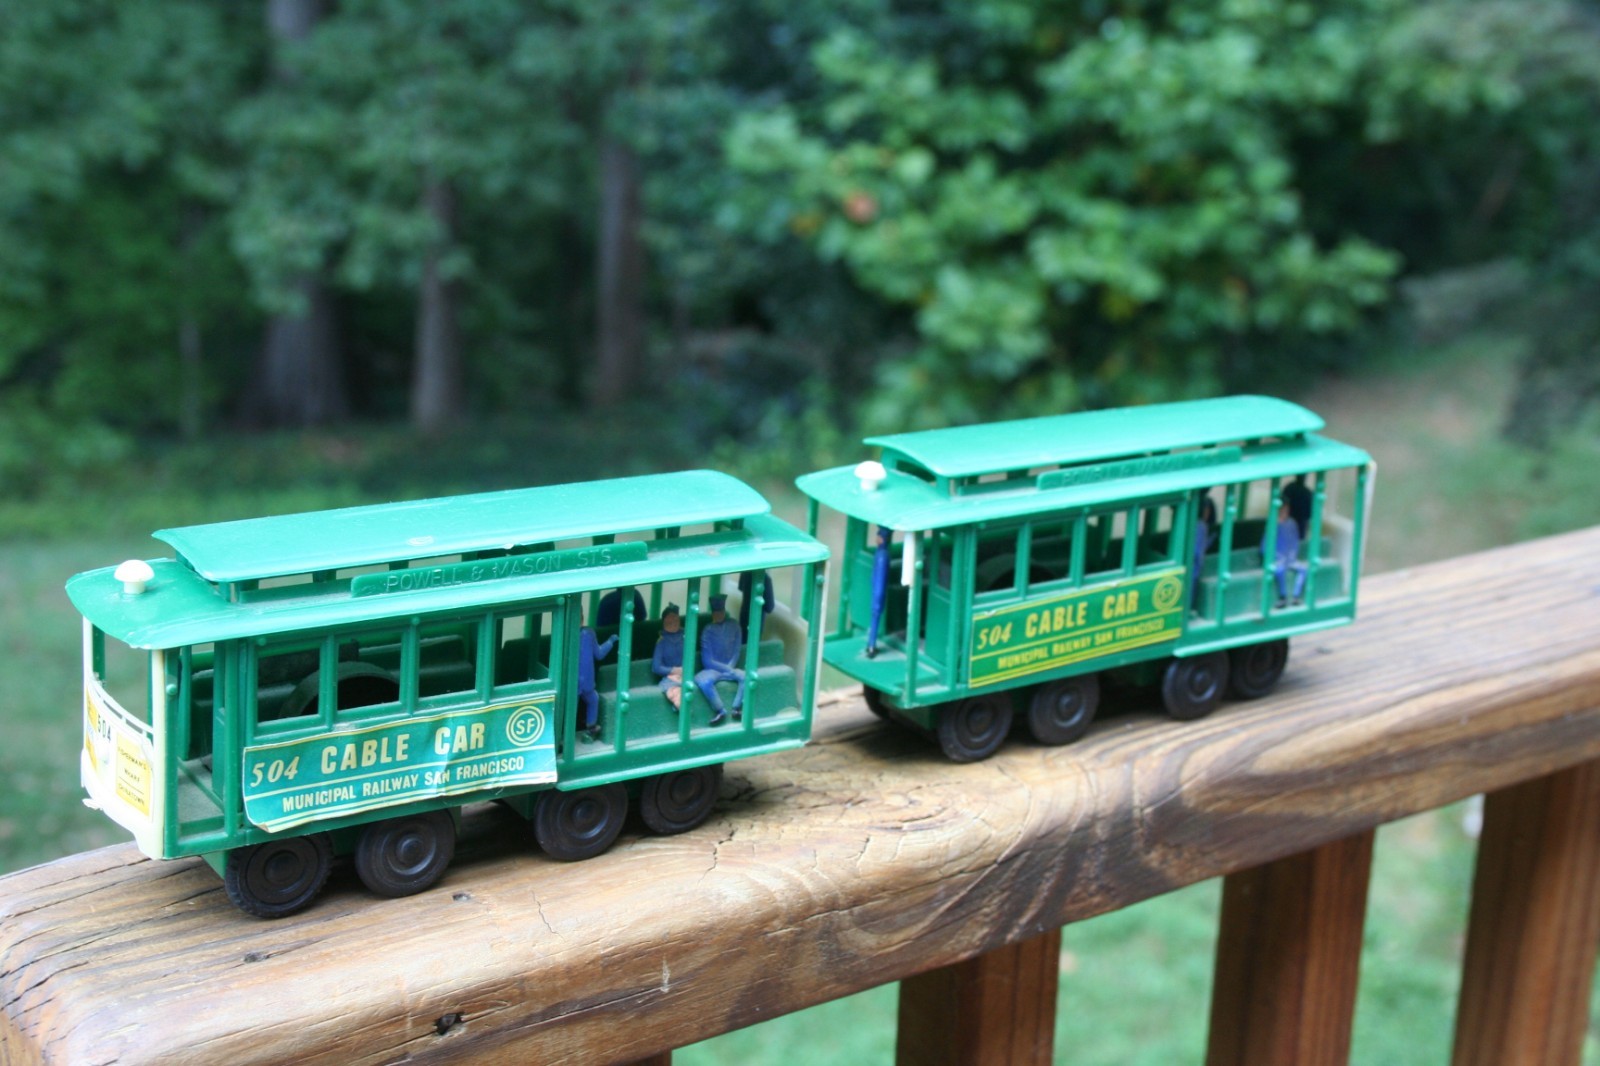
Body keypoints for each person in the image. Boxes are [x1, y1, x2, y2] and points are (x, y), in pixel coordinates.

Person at [695, 594, 745, 726]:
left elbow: (736, 650)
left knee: (746, 677)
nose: (718, 615)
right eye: (716, 613)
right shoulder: (707, 631)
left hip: (730, 667)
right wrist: (727, 669)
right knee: (704, 681)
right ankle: (720, 710)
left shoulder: (734, 626)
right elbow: (707, 661)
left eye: (721, 612)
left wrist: (731, 666)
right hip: (713, 669)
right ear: (712, 613)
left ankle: (736, 708)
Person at [576, 617, 617, 740]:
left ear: (582, 619)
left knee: (593, 699)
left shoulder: (589, 633)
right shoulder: (566, 635)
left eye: (579, 617)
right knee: (570, 707)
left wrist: (610, 642)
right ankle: (561, 736)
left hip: (588, 682)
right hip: (573, 682)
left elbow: (598, 653)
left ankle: (591, 727)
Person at [1263, 499, 1308, 608]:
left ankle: (1295, 597)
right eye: (1282, 510)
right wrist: (1275, 557)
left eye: (1286, 510)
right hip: (1276, 561)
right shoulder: (1273, 524)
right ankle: (1282, 597)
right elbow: (1264, 547)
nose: (1285, 513)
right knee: (1279, 570)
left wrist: (1292, 555)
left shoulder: (1291, 524)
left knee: (1304, 569)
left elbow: (1295, 542)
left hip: (1290, 560)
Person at [652, 604, 685, 710]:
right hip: (669, 678)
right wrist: (673, 670)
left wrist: (684, 670)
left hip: (685, 676)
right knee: (673, 690)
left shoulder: (684, 639)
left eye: (675, 621)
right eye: (669, 622)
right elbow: (656, 667)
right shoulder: (662, 643)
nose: (673, 624)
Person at [866, 526, 891, 657]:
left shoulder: (882, 556)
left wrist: (878, 598)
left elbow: (880, 579)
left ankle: (871, 645)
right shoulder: (881, 554)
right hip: (876, 591)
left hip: (877, 594)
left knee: (875, 617)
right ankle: (870, 644)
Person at [1192, 493, 1217, 613]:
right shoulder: (1200, 526)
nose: (1207, 514)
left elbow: (1202, 546)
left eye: (1209, 511)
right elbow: (1198, 548)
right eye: (1205, 510)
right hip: (1195, 565)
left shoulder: (1200, 525)